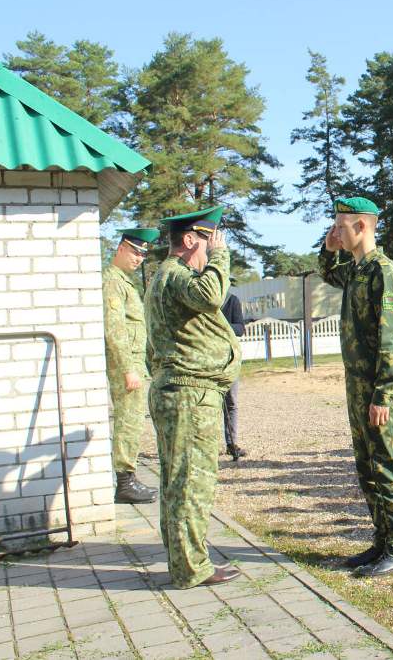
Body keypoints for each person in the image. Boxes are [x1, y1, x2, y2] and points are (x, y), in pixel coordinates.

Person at [145, 205, 242, 587]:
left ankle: (183, 561)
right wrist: (221, 256)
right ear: (189, 240)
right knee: (191, 483)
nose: (211, 250)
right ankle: (190, 568)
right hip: (188, 394)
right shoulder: (176, 276)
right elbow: (211, 296)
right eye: (208, 241)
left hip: (183, 392)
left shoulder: (164, 279)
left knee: (177, 481)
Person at [319, 196, 393, 578]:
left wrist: (383, 395)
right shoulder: (358, 269)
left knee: (388, 466)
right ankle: (382, 540)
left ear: (362, 227)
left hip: (376, 390)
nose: (335, 231)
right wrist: (328, 251)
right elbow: (330, 275)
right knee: (367, 467)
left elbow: (391, 340)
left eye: (341, 225)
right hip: (357, 387)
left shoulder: (383, 272)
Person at [103, 227, 160, 505]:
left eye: (142, 255)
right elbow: (115, 329)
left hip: (137, 361)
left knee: (134, 421)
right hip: (127, 363)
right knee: (128, 421)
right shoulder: (112, 281)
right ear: (121, 248)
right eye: (135, 252)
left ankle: (129, 477)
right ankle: (125, 483)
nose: (138, 259)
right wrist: (128, 368)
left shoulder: (124, 282)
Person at [221, 283, 247, 461]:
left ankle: (231, 443)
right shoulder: (201, 298)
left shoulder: (232, 300)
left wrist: (221, 326)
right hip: (205, 360)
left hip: (228, 359)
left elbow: (240, 328)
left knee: (231, 403)